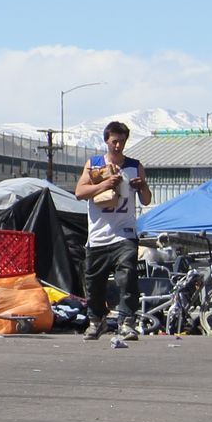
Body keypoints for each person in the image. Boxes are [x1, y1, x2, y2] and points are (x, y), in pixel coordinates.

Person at [75, 120, 154, 340]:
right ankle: (97, 320)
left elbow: (146, 201)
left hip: (124, 233)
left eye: (121, 142)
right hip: (99, 235)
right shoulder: (94, 164)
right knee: (94, 282)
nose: (118, 146)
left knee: (127, 276)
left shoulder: (134, 166)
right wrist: (105, 184)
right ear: (106, 141)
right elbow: (80, 192)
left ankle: (127, 321)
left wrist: (142, 186)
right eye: (114, 142)